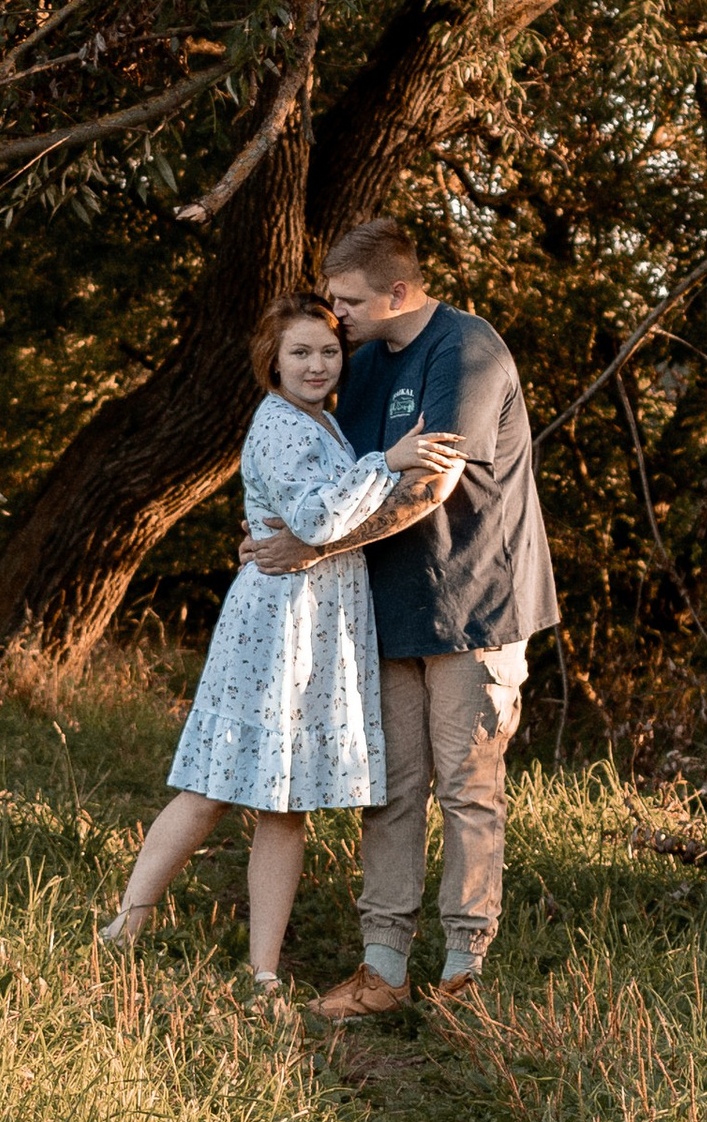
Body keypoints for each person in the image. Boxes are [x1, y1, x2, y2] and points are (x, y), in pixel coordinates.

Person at [98, 292, 465, 993]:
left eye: (328, 351)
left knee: (284, 803)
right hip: (275, 626)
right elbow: (317, 517)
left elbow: (326, 512)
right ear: (273, 359)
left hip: (314, 625)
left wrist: (376, 464)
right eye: (300, 352)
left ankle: (264, 969)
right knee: (212, 785)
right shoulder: (280, 426)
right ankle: (128, 922)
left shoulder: (320, 422)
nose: (317, 364)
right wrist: (390, 458)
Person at [239, 218, 558, 1022]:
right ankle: (382, 970)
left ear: (399, 292)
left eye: (348, 301)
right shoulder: (364, 362)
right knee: (389, 790)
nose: (334, 316)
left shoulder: (466, 350)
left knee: (468, 786)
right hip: (387, 605)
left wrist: (307, 550)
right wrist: (286, 530)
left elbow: (429, 487)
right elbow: (337, 475)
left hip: (475, 604)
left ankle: (464, 973)